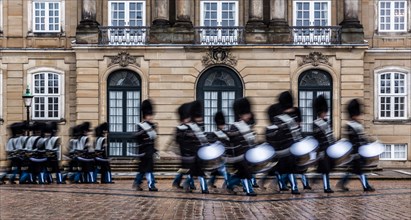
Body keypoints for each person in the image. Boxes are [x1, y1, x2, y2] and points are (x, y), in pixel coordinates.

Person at [266, 91, 304, 194]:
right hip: (283, 146)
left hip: (292, 145)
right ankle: (284, 185)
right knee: (283, 168)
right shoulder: (278, 119)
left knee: (291, 167)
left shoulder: (294, 114)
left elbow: (298, 128)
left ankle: (293, 187)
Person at [337, 99, 375, 192]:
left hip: (359, 151)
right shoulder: (349, 126)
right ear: (353, 115)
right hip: (355, 153)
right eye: (356, 114)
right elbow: (353, 141)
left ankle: (342, 183)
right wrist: (355, 152)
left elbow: (362, 137)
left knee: (354, 170)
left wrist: (368, 142)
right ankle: (366, 186)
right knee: (359, 170)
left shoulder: (358, 125)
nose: (358, 116)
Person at [225, 97, 257, 196]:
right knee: (245, 173)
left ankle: (230, 184)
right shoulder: (234, 126)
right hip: (239, 155)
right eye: (246, 113)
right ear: (241, 115)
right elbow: (234, 142)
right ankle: (249, 190)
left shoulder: (246, 126)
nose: (248, 115)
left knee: (243, 174)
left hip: (247, 155)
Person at [181, 100, 209, 194]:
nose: (200, 119)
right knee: (196, 173)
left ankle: (202, 188)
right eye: (198, 117)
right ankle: (203, 188)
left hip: (200, 155)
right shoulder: (189, 128)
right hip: (193, 155)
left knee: (198, 173)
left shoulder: (199, 128)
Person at [133, 99, 159, 191]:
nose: (150, 117)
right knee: (145, 169)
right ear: (144, 116)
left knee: (145, 169)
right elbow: (136, 138)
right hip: (143, 151)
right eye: (148, 115)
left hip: (150, 151)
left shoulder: (153, 126)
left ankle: (137, 182)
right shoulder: (140, 126)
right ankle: (151, 185)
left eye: (151, 115)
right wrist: (142, 132)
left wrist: (155, 150)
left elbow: (153, 140)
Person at [312, 95, 335, 193]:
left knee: (326, 168)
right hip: (322, 149)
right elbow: (317, 138)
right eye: (323, 112)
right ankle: (326, 187)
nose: (324, 114)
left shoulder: (327, 122)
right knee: (325, 169)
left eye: (325, 112)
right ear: (319, 112)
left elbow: (330, 136)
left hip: (328, 148)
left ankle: (314, 179)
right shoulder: (316, 124)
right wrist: (320, 150)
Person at [172, 102, 194, 190]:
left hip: (190, 151)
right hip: (183, 151)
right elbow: (177, 140)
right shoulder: (179, 129)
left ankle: (177, 182)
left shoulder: (190, 128)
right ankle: (185, 183)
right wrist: (185, 135)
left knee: (185, 169)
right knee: (186, 168)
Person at [206, 111, 230, 188]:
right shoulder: (213, 134)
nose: (222, 126)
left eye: (222, 124)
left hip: (224, 155)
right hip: (217, 156)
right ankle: (228, 184)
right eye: (221, 124)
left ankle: (210, 182)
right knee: (223, 170)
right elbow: (210, 142)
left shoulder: (226, 133)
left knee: (215, 171)